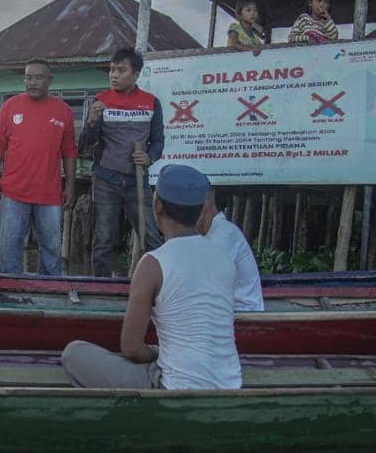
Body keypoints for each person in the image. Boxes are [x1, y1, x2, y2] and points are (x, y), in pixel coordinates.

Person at [62, 164, 244, 390]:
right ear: (200, 211)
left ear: (157, 206)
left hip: (176, 387)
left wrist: (156, 353)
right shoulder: (224, 258)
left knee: (74, 353)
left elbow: (131, 348)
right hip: (230, 384)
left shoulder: (153, 264)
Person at [0, 59, 78, 276]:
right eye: (28, 77)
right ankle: (9, 292)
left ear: (49, 80)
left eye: (38, 77)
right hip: (13, 192)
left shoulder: (63, 111)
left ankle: (50, 294)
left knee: (51, 248)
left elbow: (69, 151)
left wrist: (71, 186)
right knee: (10, 247)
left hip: (49, 195)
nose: (32, 82)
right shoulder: (10, 106)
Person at [79, 47, 164, 277]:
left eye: (121, 70)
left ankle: (158, 285)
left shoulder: (151, 103)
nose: (114, 75)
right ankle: (101, 287)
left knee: (151, 236)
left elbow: (157, 141)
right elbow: (84, 145)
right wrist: (92, 121)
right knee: (104, 237)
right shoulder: (100, 101)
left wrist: (149, 157)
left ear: (136, 74)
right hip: (106, 178)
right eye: (111, 70)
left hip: (137, 178)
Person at [197, 188, 263, 311]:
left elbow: (203, 286)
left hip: (243, 318)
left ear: (207, 200)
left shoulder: (223, 235)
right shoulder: (211, 235)